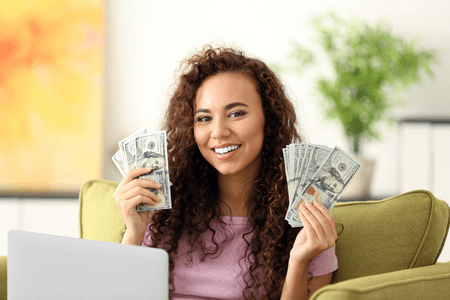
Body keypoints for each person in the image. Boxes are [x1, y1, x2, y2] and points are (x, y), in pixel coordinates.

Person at [113, 46, 339, 300]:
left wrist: (298, 260)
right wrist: (134, 233)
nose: (218, 132)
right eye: (204, 118)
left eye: (236, 114)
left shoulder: (306, 218)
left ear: (269, 119)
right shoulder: (162, 210)